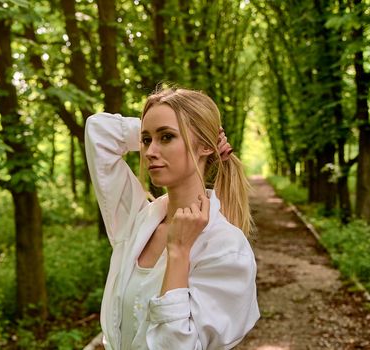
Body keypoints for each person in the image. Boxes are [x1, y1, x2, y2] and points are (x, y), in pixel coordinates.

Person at [85, 87, 259, 350]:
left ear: (205, 147)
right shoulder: (137, 221)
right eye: (146, 141)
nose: (149, 152)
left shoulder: (226, 248)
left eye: (166, 137)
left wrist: (178, 252)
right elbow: (99, 131)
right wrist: (153, 127)